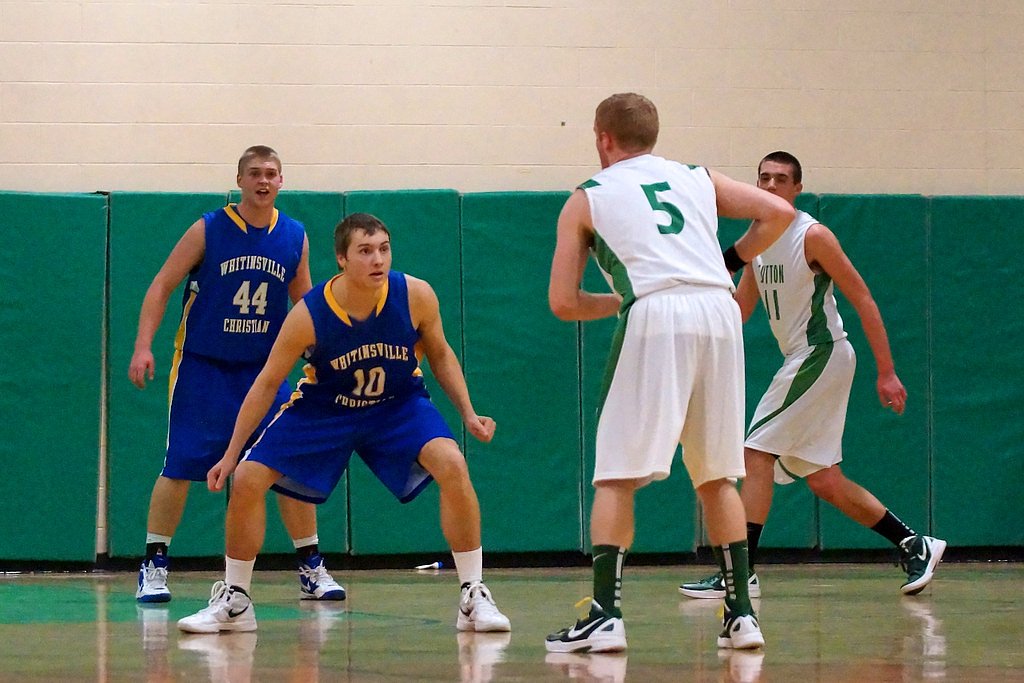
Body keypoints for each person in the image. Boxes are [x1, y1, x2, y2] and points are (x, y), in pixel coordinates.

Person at [176, 212, 511, 635]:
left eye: (384, 249)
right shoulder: (309, 314)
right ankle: (237, 601)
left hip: (396, 404)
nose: (378, 260)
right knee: (246, 478)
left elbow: (440, 354)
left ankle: (473, 593)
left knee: (453, 463)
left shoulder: (416, 296)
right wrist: (229, 454)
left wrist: (467, 411)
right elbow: (266, 384)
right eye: (365, 251)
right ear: (341, 258)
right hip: (325, 409)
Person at [544, 93, 795, 653]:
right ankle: (741, 615)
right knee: (716, 473)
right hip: (719, 311)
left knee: (615, 473)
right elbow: (778, 213)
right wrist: (727, 262)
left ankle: (605, 614)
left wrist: (622, 298)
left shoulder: (586, 198)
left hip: (655, 316)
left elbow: (562, 302)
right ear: (652, 135)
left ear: (602, 138)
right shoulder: (696, 176)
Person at [679, 151, 946, 601]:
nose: (769, 186)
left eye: (780, 179)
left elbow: (862, 297)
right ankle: (915, 543)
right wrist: (695, 320)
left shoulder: (812, 235)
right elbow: (741, 311)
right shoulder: (756, 241)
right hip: (802, 358)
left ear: (796, 188)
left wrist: (887, 372)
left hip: (822, 353)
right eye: (763, 178)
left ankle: (739, 573)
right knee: (823, 479)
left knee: (754, 453)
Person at [129, 145, 344, 604]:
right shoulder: (208, 228)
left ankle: (310, 566)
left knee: (287, 463)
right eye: (254, 173)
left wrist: (321, 357)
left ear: (281, 181)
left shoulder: (295, 236)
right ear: (240, 180)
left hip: (264, 371)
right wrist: (143, 345)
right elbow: (162, 284)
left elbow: (305, 303)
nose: (263, 181)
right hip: (203, 366)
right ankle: (154, 563)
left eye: (271, 174)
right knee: (181, 464)